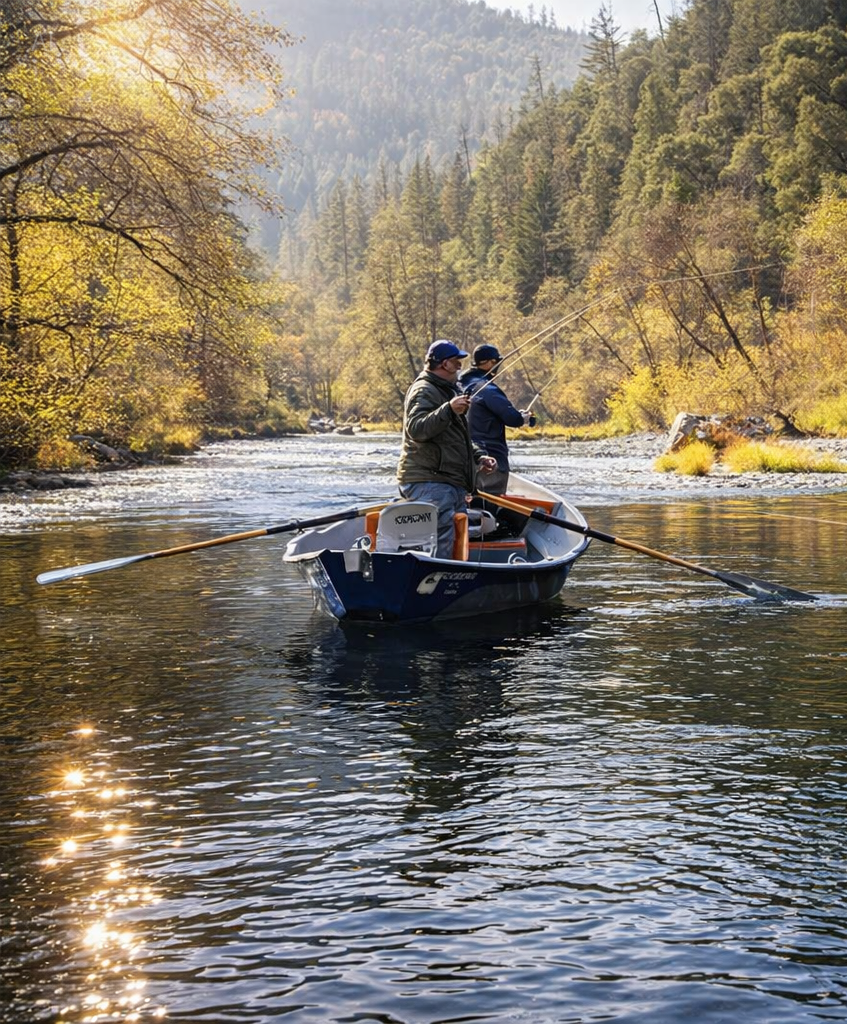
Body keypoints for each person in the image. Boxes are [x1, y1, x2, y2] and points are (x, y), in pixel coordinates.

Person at [397, 339, 497, 558]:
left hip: (446, 482)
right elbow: (416, 429)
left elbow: (455, 438)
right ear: (444, 364)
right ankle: (438, 584)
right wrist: (448, 410)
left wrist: (479, 456)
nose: (460, 366)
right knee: (443, 537)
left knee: (455, 537)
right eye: (456, 362)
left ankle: (450, 581)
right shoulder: (424, 390)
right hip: (430, 480)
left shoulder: (446, 391)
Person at [459, 343, 535, 495]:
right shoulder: (488, 389)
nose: (499, 365)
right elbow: (512, 419)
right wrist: (524, 418)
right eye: (497, 362)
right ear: (489, 363)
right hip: (490, 457)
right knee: (488, 505)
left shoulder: (459, 384)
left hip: (461, 455)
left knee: (467, 504)